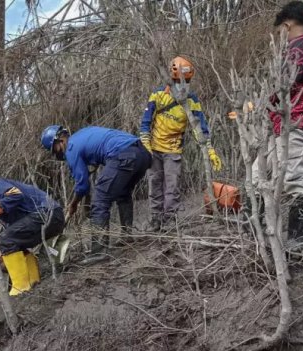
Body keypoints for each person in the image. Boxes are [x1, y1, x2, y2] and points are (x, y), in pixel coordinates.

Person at [41, 125, 151, 265]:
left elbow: (82, 185)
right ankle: (127, 236)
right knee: (123, 193)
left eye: (55, 150)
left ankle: (99, 252)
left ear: (60, 141)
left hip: (123, 155)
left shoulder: (71, 148)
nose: (58, 154)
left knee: (100, 199)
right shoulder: (82, 134)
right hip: (143, 154)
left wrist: (74, 204)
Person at [139, 56, 222, 232]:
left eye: (186, 80)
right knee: (155, 183)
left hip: (174, 149)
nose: (182, 84)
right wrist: (145, 142)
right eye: (178, 80)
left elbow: (200, 127)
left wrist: (209, 150)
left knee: (172, 185)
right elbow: (146, 121)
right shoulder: (158, 94)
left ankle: (170, 220)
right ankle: (156, 219)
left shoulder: (192, 100)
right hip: (154, 148)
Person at [264, 1, 303, 246]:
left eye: (280, 32)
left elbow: (284, 84)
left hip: (294, 120)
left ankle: (298, 244)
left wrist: (262, 101)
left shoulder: (299, 46)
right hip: (286, 122)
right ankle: (261, 236)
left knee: (296, 178)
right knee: (259, 176)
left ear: (286, 25)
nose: (280, 38)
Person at [0, 178, 65, 296]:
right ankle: (34, 281)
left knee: (7, 239)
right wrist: (1, 253)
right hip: (50, 216)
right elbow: (13, 235)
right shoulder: (4, 212)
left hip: (48, 212)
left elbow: (16, 195)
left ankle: (21, 288)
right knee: (13, 242)